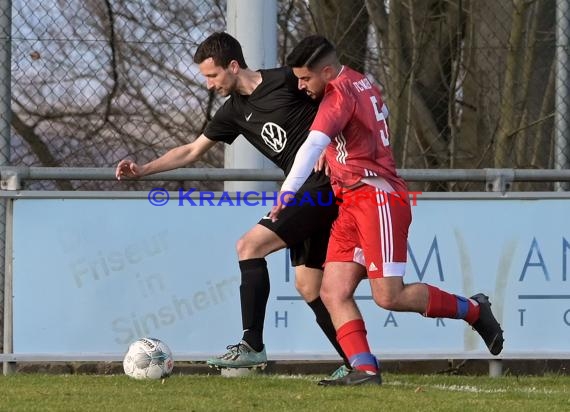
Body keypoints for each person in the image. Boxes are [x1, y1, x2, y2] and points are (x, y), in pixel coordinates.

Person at [270, 35, 504, 386]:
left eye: (306, 78)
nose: (300, 86)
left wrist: (288, 191)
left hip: (376, 198)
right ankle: (364, 369)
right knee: (332, 291)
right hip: (351, 201)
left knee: (388, 296)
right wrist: (335, 152)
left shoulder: (338, 92)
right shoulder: (361, 81)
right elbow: (357, 131)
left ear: (328, 71)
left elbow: (314, 141)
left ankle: (474, 309)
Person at [115, 32, 352, 379]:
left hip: (322, 187)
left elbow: (339, 101)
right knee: (310, 287)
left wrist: (332, 148)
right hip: (302, 189)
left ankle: (252, 345)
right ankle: (358, 363)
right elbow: (191, 150)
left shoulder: (287, 79)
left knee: (249, 245)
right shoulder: (233, 113)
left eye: (212, 76)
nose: (209, 85)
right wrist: (143, 170)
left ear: (234, 65)